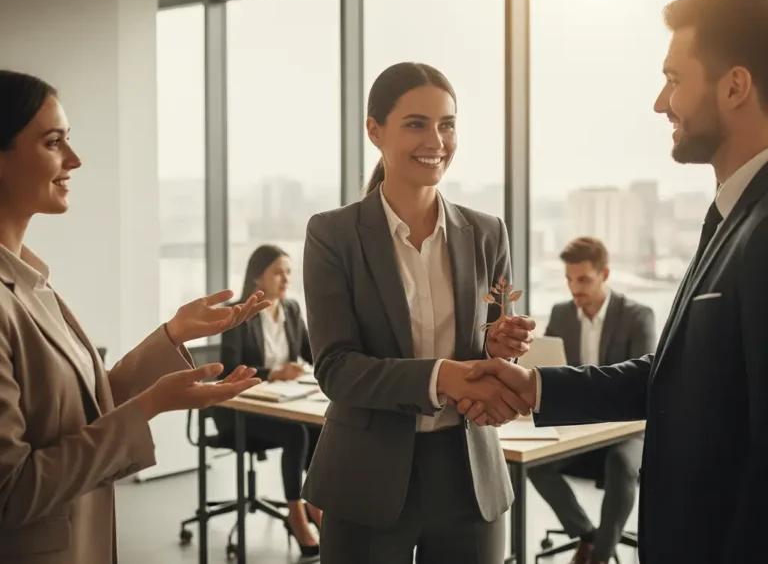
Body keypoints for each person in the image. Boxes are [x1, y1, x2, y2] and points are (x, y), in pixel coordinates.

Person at [459, 0, 768, 564]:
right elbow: (676, 373)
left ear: (735, 86)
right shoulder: (730, 215)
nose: (660, 102)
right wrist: (539, 389)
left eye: (674, 79)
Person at [0, 70, 268, 564]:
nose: (75, 160)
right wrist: (147, 408)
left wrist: (173, 335)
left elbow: (82, 411)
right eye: (54, 142)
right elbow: (11, 493)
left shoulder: (32, 281)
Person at [301, 61, 536, 564]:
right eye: (416, 123)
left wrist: (499, 350)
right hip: (367, 475)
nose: (437, 139)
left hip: (470, 473)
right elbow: (337, 369)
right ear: (374, 130)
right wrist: (442, 377)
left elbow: (485, 348)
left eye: (447, 124)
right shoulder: (333, 235)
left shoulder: (488, 231)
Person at [527, 237, 654, 564]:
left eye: (583, 279)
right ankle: (585, 534)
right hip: (577, 428)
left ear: (604, 274)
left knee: (623, 465)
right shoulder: (561, 314)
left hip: (626, 430)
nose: (574, 289)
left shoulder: (637, 316)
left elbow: (642, 388)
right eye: (569, 279)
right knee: (534, 464)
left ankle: (600, 554)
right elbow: (552, 369)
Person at [214, 244, 321, 556]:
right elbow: (229, 369)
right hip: (241, 412)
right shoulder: (238, 313)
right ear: (257, 278)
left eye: (288, 272)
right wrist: (274, 372)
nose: (286, 279)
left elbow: (309, 354)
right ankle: (296, 514)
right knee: (297, 433)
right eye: (278, 272)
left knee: (319, 431)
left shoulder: (291, 309)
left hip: (283, 404)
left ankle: (315, 504)